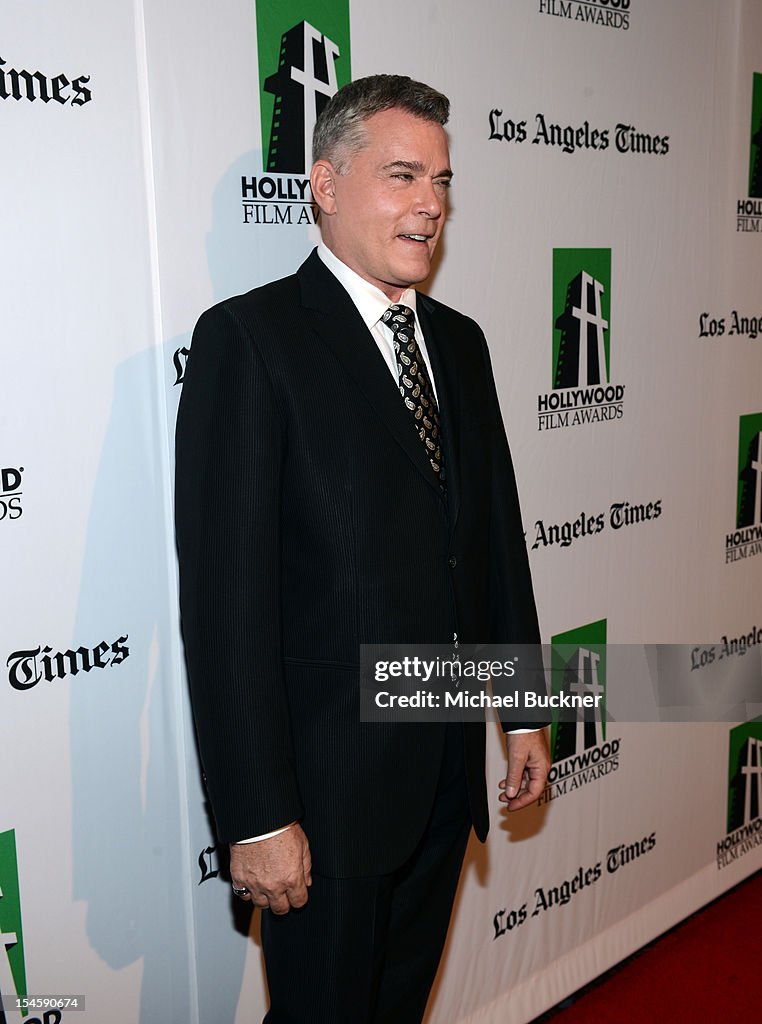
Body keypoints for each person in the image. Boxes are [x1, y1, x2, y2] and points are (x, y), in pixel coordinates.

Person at [175, 74, 550, 1023]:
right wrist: (257, 814)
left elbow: (494, 547)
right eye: (401, 176)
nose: (430, 202)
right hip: (324, 801)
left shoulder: (459, 343)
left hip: (440, 784)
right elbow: (227, 606)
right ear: (326, 186)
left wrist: (531, 710)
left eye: (441, 180)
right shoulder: (249, 341)